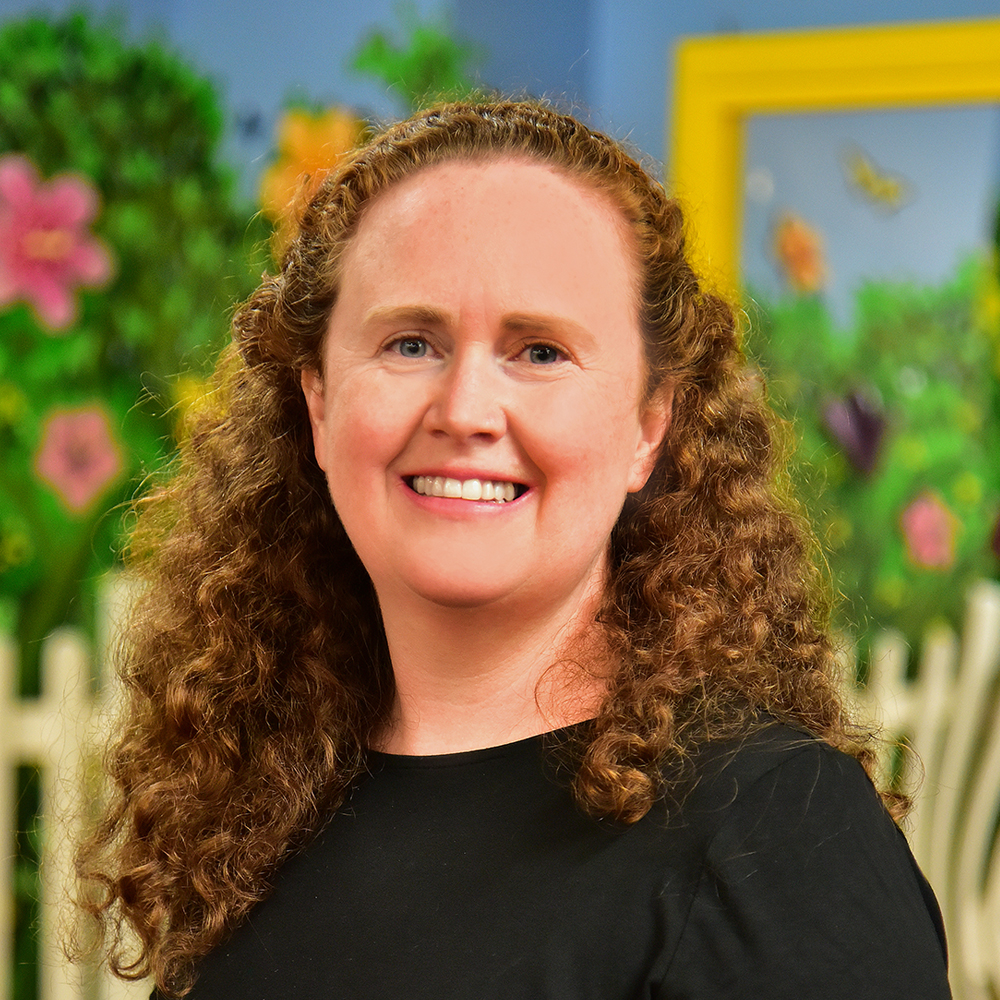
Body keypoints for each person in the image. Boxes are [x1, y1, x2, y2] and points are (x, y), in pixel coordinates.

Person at [75, 100, 951, 999]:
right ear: (320, 403)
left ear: (651, 425)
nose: (463, 410)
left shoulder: (777, 842)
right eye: (410, 342)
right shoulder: (257, 807)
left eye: (538, 352)